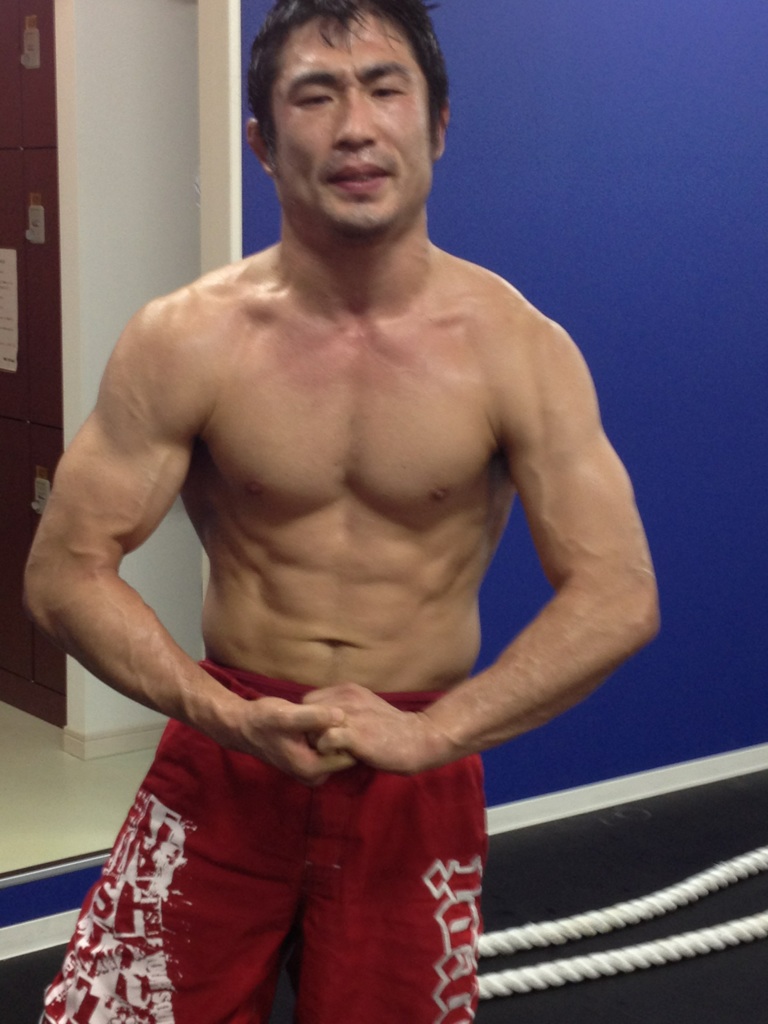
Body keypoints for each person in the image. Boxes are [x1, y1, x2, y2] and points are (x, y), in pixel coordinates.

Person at [24, 1, 659, 1021]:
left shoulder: (520, 352)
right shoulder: (184, 340)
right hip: (226, 754)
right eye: (315, 96)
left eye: (384, 88)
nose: (355, 126)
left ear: (437, 124)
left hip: (416, 770)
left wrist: (435, 733)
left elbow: (619, 594)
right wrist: (219, 712)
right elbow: (64, 572)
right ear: (262, 145)